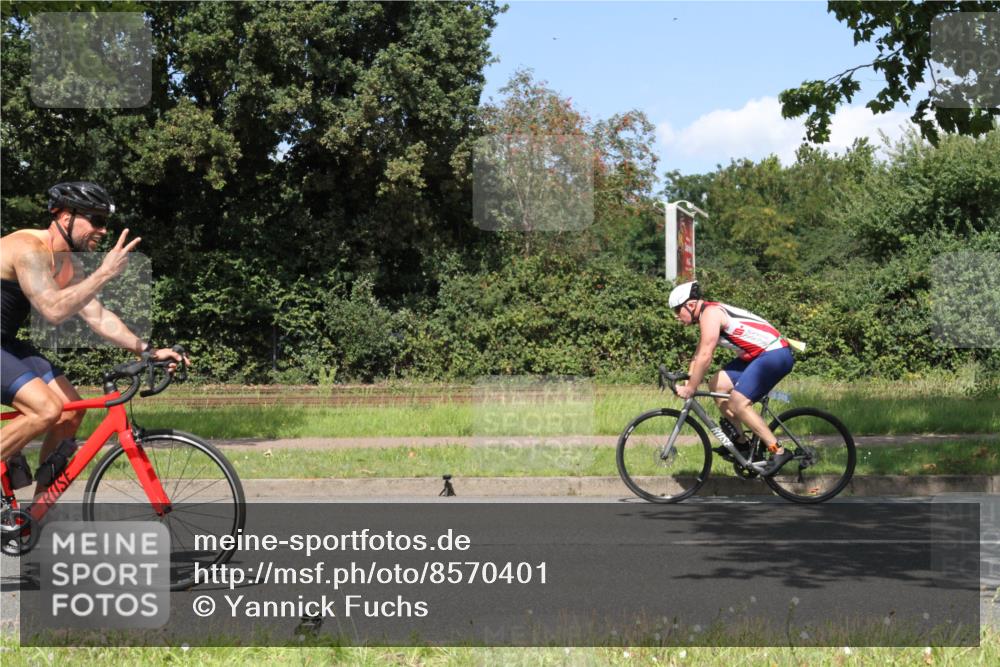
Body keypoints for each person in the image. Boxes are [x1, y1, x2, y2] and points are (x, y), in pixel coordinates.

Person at [1, 181, 185, 497]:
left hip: (4, 342)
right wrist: (103, 274)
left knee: (71, 409)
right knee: (45, 409)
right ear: (64, 216)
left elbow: (97, 316)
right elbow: (53, 309)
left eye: (105, 223)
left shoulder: (65, 263)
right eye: (95, 220)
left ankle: (35, 516)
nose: (102, 231)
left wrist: (149, 351)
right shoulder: (29, 249)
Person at [668, 280, 795, 476]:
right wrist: (688, 381)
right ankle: (742, 444)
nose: (677, 316)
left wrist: (692, 388)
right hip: (758, 356)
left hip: (774, 354)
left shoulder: (710, 314)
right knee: (716, 384)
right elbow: (698, 355)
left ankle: (777, 450)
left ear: (690, 305)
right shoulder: (706, 315)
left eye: (678, 311)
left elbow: (706, 356)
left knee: (738, 403)